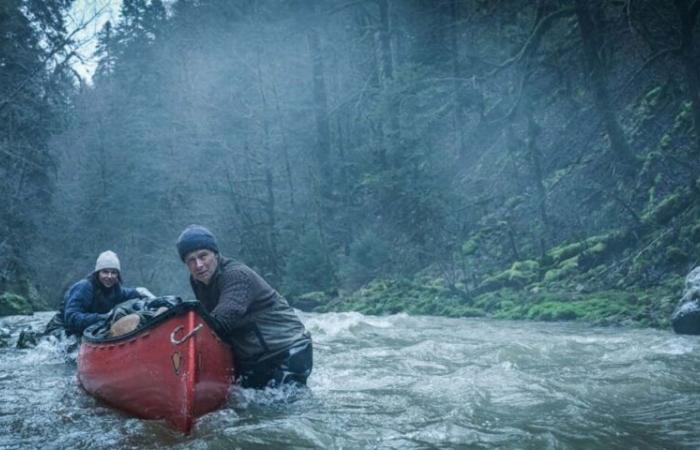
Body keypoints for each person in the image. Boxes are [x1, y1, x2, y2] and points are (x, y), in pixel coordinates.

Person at [176, 224, 313, 389]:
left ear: (215, 254)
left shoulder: (236, 275)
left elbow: (221, 322)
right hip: (254, 358)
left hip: (287, 351)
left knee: (283, 407)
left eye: (203, 256)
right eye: (191, 260)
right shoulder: (197, 281)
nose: (198, 265)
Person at [50, 250, 152, 336]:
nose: (109, 276)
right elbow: (72, 318)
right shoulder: (84, 287)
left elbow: (128, 293)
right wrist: (105, 317)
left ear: (118, 275)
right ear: (98, 273)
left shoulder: (115, 289)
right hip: (60, 331)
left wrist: (141, 291)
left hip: (87, 330)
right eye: (105, 272)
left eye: (113, 272)